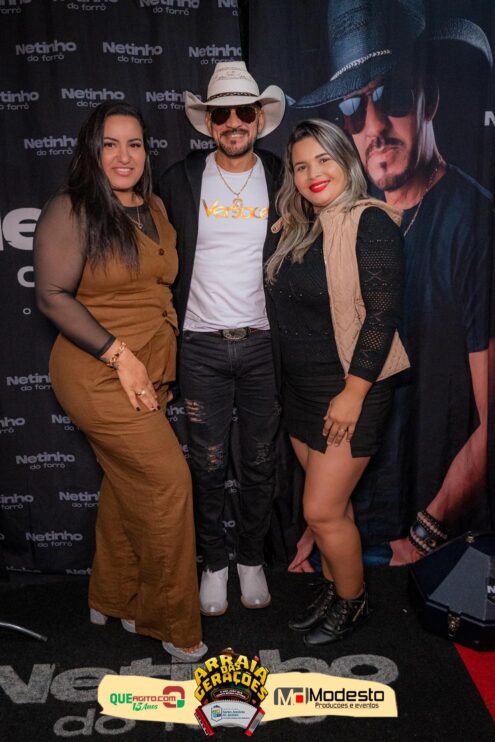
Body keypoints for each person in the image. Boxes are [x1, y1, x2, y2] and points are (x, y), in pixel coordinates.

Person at [291, 0, 493, 567]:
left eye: (394, 96)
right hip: (361, 515)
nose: (375, 126)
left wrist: (427, 531)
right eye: (354, 108)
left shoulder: (474, 226)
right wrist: (323, 514)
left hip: (433, 535)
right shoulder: (355, 220)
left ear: (429, 96)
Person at [33, 101, 207, 662]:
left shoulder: (153, 206)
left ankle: (113, 597)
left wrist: (155, 362)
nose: (124, 155)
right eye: (110, 144)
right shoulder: (72, 207)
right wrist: (120, 356)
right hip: (97, 371)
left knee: (125, 485)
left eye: (134, 144)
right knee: (167, 481)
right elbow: (51, 295)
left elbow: (156, 290)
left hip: (149, 368)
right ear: (92, 149)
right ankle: (171, 622)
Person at [265, 118, 408, 644]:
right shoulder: (297, 229)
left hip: (352, 387)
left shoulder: (371, 223)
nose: (313, 173)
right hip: (301, 390)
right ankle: (334, 587)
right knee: (337, 507)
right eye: (301, 166)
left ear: (346, 161)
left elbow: (382, 317)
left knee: (321, 510)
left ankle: (353, 602)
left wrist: (353, 393)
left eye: (323, 160)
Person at [159, 61, 284, 616]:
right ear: (208, 122)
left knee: (259, 460)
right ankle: (213, 563)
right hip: (201, 347)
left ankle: (251, 559)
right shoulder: (180, 178)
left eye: (244, 112)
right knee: (208, 465)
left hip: (263, 346)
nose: (234, 122)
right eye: (222, 113)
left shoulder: (282, 175)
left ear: (259, 118)